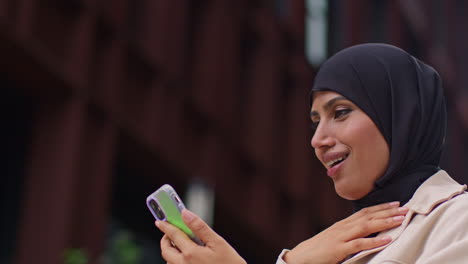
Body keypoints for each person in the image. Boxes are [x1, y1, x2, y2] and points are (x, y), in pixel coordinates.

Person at [155, 44, 468, 263]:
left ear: (402, 117)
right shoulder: (332, 247)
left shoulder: (458, 219)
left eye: (341, 112)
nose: (318, 140)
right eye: (316, 121)